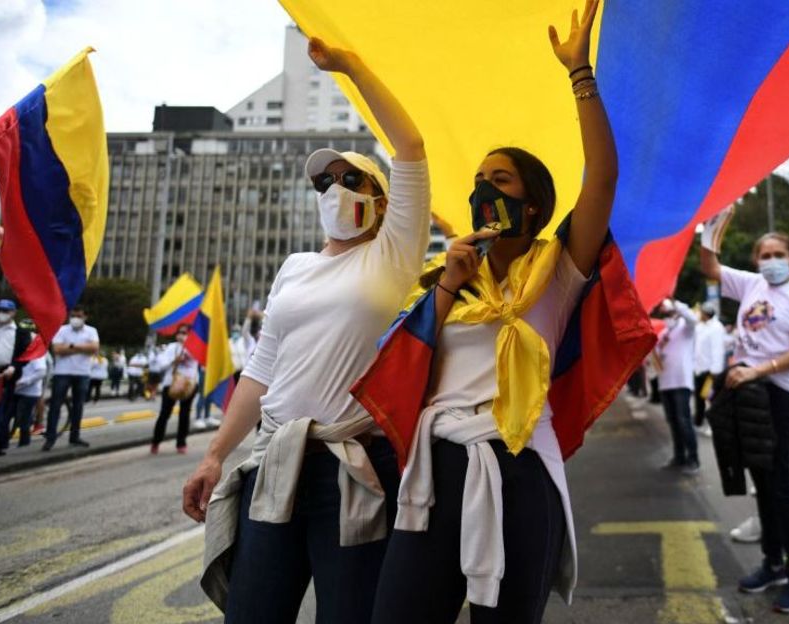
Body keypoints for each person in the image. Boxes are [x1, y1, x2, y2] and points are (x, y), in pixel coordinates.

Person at [362, 4, 643, 621]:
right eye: (479, 179)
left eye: (502, 180)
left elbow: (601, 178)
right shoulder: (449, 279)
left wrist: (580, 72)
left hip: (519, 471)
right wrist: (447, 286)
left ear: (535, 206)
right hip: (434, 474)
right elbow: (404, 371)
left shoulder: (559, 271)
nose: (485, 189)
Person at [183, 34, 431, 623]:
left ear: (381, 198)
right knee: (252, 612)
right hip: (275, 463)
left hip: (354, 470)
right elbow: (261, 371)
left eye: (351, 181)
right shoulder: (294, 269)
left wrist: (350, 67)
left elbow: (411, 146)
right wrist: (215, 456)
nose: (335, 192)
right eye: (325, 184)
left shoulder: (393, 255)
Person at [701, 231, 789, 613]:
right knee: (762, 481)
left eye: (779, 253)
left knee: (781, 484)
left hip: (781, 394)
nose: (771, 260)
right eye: (765, 254)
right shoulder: (753, 283)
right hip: (749, 392)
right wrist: (710, 231)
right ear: (756, 260)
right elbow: (711, 267)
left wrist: (759, 370)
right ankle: (773, 563)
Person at [43, 306, 99, 451]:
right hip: (62, 372)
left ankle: (75, 436)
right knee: (55, 405)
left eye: (79, 316)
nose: (75, 319)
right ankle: (50, 438)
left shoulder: (91, 331)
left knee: (78, 406)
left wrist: (70, 346)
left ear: (85, 317)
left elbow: (94, 348)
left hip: (82, 373)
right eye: (73, 316)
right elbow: (57, 349)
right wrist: (82, 348)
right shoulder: (62, 330)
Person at [656, 298, 701, 474]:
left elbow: (692, 318)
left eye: (669, 313)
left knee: (684, 421)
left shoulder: (685, 329)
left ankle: (693, 459)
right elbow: (656, 359)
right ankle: (679, 456)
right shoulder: (662, 334)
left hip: (681, 382)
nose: (667, 317)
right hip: (665, 383)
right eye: (664, 314)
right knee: (673, 422)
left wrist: (675, 303)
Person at [151, 326, 200, 454]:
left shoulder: (194, 347)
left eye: (184, 333)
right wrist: (174, 360)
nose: (180, 335)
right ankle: (156, 441)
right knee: (164, 413)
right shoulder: (172, 347)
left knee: (184, 414)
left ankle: (181, 443)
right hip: (171, 384)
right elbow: (161, 364)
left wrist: (187, 345)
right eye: (179, 332)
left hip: (189, 385)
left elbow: (199, 360)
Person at [0, 300, 34, 455]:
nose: (1, 313)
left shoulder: (20, 333)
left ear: (13, 313)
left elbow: (24, 356)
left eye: (5, 311)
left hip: (6, 375)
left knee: (2, 411)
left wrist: (14, 367)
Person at [693, 301, 727, 436]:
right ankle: (698, 422)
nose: (699, 314)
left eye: (701, 312)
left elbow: (717, 350)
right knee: (699, 399)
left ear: (706, 314)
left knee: (711, 400)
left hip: (710, 372)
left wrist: (715, 372)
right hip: (699, 369)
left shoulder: (717, 328)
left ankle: (713, 426)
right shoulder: (700, 326)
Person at [11, 350, 47, 448]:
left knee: (24, 419)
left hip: (30, 391)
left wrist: (24, 382)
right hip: (16, 389)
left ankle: (24, 443)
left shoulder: (36, 351)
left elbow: (41, 371)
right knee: (15, 416)